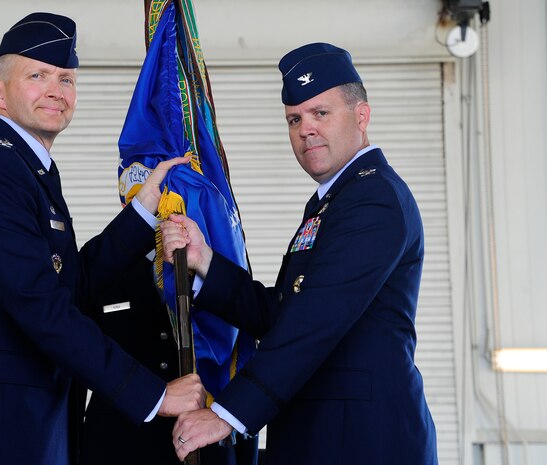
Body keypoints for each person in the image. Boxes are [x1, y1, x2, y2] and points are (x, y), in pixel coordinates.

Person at [0, 12, 205, 465]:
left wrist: (142, 212)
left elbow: (70, 287)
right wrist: (153, 396)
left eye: (66, 78)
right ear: (0, 94)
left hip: (29, 422)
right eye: (37, 76)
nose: (56, 90)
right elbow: (42, 307)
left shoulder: (27, 169)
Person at [160, 42, 439, 464]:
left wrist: (227, 414)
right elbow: (286, 314)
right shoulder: (334, 200)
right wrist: (206, 262)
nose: (306, 128)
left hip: (362, 441)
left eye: (321, 113)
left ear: (361, 116)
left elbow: (314, 321)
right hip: (319, 434)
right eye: (295, 118)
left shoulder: (374, 198)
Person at [80, 255, 259, 465]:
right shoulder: (104, 260)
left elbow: (242, 361)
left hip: (205, 448)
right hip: (118, 446)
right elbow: (78, 356)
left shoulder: (220, 264)